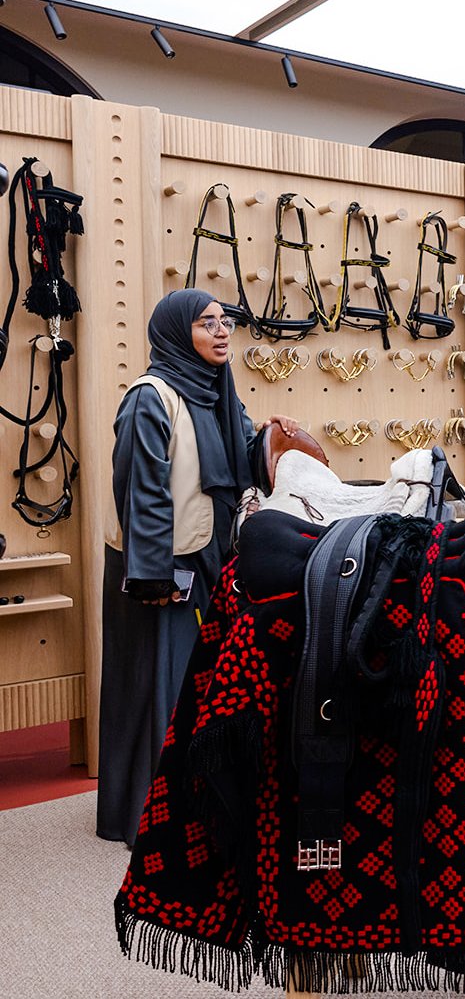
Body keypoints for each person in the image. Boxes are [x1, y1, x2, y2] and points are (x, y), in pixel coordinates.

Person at [99, 288, 297, 845]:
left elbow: (240, 462)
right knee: (164, 685)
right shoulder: (149, 398)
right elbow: (141, 490)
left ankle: (202, 799)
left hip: (214, 554)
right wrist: (153, 572)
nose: (221, 331)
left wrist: (268, 439)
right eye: (206, 323)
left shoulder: (217, 391)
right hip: (165, 565)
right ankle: (154, 813)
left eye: (224, 321)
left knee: (212, 681)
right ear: (174, 332)